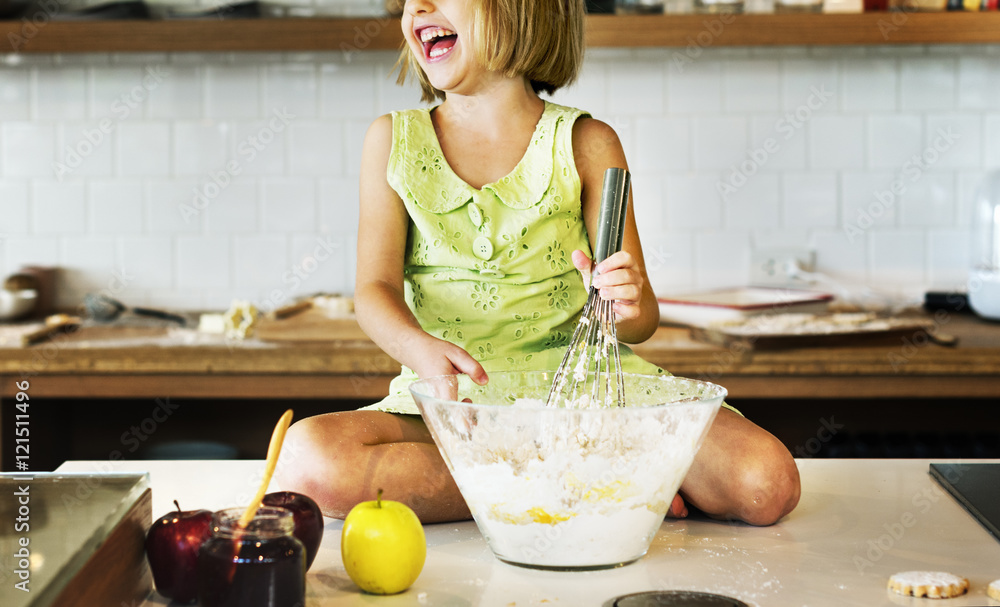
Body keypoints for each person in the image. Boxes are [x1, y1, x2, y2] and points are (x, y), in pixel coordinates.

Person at [278, 0, 800, 526]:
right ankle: (606, 483)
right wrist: (420, 350)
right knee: (309, 461)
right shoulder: (393, 141)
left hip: (588, 401)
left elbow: (640, 324)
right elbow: (373, 290)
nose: (419, 6)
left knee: (766, 482)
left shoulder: (589, 145)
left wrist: (625, 303)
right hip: (457, 403)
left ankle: (548, 480)